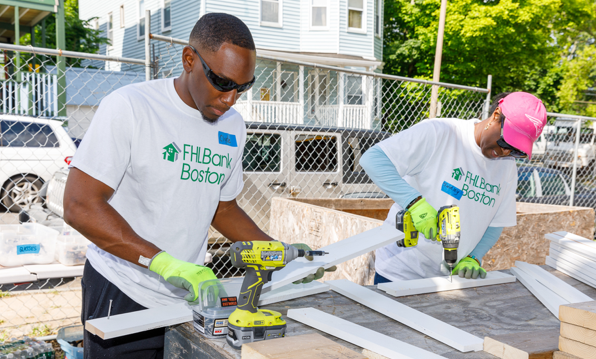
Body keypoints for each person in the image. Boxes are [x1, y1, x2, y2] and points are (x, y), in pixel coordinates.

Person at [64, 14, 330, 358]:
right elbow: (80, 205)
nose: (231, 98)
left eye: (243, 87)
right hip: (124, 288)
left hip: (189, 297)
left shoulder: (232, 125)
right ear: (189, 60)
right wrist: (164, 264)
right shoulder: (131, 107)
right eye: (222, 82)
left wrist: (281, 255)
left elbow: (223, 207)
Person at [360, 92, 547, 284]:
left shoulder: (506, 167)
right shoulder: (441, 132)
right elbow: (373, 160)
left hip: (449, 281)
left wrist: (474, 256)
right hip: (399, 272)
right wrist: (415, 204)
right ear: (496, 115)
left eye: (517, 150)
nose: (506, 151)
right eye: (506, 141)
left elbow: (496, 222)